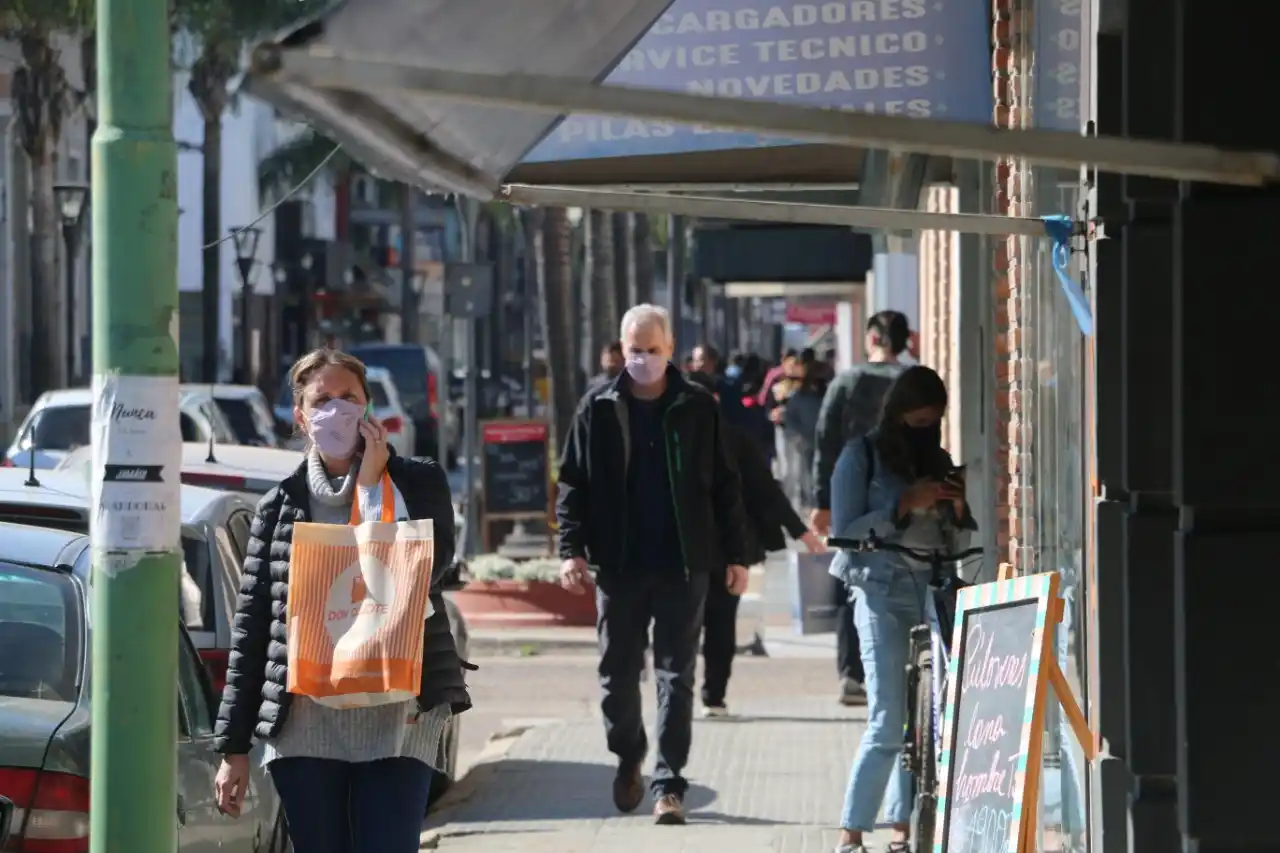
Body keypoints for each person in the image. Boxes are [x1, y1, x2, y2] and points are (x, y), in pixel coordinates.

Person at [212, 348, 471, 853]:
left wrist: (373, 487)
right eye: (322, 399)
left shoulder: (418, 482)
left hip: (399, 716)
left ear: (368, 409)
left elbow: (427, 571)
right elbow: (253, 629)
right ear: (301, 416)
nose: (337, 410)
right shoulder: (278, 507)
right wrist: (233, 748)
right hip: (307, 724)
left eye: (348, 397)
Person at [556, 304, 752, 826]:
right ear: (621, 349)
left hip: (683, 563)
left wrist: (736, 555)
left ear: (671, 350)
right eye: (634, 350)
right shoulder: (597, 406)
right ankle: (628, 754)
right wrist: (570, 550)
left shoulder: (697, 406)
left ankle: (669, 783)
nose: (642, 359)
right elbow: (573, 483)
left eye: (653, 350)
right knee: (617, 675)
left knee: (676, 674)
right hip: (618, 566)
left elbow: (725, 485)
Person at [828, 366, 975, 853]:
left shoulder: (937, 458)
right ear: (898, 414)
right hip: (880, 587)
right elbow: (846, 532)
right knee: (890, 717)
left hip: (932, 587)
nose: (925, 431)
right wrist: (902, 506)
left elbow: (962, 539)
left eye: (933, 422)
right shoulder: (861, 456)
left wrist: (955, 509)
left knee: (931, 717)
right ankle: (852, 830)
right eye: (917, 421)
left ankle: (904, 826)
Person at [685, 371, 825, 717]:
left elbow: (766, 491)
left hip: (703, 551)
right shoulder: (734, 439)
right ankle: (711, 696)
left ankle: (689, 693)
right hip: (725, 550)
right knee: (717, 624)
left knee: (688, 624)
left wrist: (802, 532)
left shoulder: (684, 443)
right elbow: (768, 492)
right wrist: (802, 532)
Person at [811, 309, 910, 706]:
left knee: (853, 580)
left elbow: (825, 439)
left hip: (852, 495)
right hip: (904, 498)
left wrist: (821, 501)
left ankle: (853, 673)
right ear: (907, 341)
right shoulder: (914, 383)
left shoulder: (847, 382)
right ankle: (900, 669)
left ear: (871, 338)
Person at [782, 358, 826, 513]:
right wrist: (798, 436)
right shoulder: (798, 397)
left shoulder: (825, 396)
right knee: (805, 476)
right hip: (805, 444)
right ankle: (809, 505)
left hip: (824, 443)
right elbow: (790, 419)